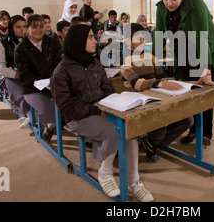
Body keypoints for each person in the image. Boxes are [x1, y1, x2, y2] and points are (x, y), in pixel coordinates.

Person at [50, 24, 154, 202]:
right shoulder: (61, 72)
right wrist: (97, 110)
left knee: (131, 130)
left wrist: (115, 105)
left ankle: (133, 181)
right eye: (90, 37)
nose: (95, 41)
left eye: (93, 37)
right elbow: (67, 108)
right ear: (77, 42)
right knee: (115, 129)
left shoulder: (94, 63)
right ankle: (105, 174)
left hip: (101, 110)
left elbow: (106, 89)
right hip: (79, 118)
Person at [154, 0, 214, 146]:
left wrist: (205, 69)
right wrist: (151, 58)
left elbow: (202, 38)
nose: (169, 3)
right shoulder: (161, 7)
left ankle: (205, 133)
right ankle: (192, 129)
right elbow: (159, 34)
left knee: (203, 90)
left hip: (205, 47)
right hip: (182, 49)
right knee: (185, 90)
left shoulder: (195, 4)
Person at [121, 23, 193, 162]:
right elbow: (136, 84)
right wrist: (161, 83)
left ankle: (151, 144)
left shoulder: (151, 57)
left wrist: (170, 85)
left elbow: (161, 78)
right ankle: (152, 144)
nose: (143, 42)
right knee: (159, 126)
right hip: (139, 104)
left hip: (158, 99)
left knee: (187, 120)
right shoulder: (125, 60)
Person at [14, 14, 62, 142]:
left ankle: (52, 124)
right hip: (33, 87)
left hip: (53, 83)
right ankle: (49, 126)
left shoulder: (52, 42)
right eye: (34, 27)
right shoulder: (21, 49)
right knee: (50, 113)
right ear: (27, 29)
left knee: (67, 108)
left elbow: (59, 64)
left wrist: (54, 79)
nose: (39, 30)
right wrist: (43, 82)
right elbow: (25, 74)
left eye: (41, 26)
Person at [0, 15, 31, 127]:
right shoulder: (2, 43)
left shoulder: (29, 41)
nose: (21, 29)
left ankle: (30, 114)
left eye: (24, 26)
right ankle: (30, 115)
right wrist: (15, 75)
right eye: (18, 26)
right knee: (20, 92)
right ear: (11, 27)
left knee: (37, 91)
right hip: (9, 74)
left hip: (27, 73)